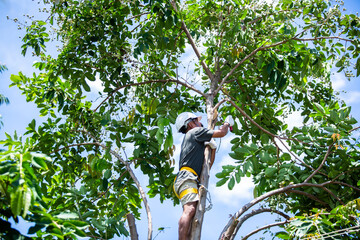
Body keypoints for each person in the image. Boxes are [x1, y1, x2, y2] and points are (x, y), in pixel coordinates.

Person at [173, 112, 234, 240]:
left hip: (192, 178)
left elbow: (207, 167)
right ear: (190, 123)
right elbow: (222, 133)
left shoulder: (195, 139)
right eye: (197, 121)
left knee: (192, 216)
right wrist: (227, 123)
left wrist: (212, 148)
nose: (201, 124)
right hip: (187, 176)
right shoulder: (195, 131)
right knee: (189, 210)